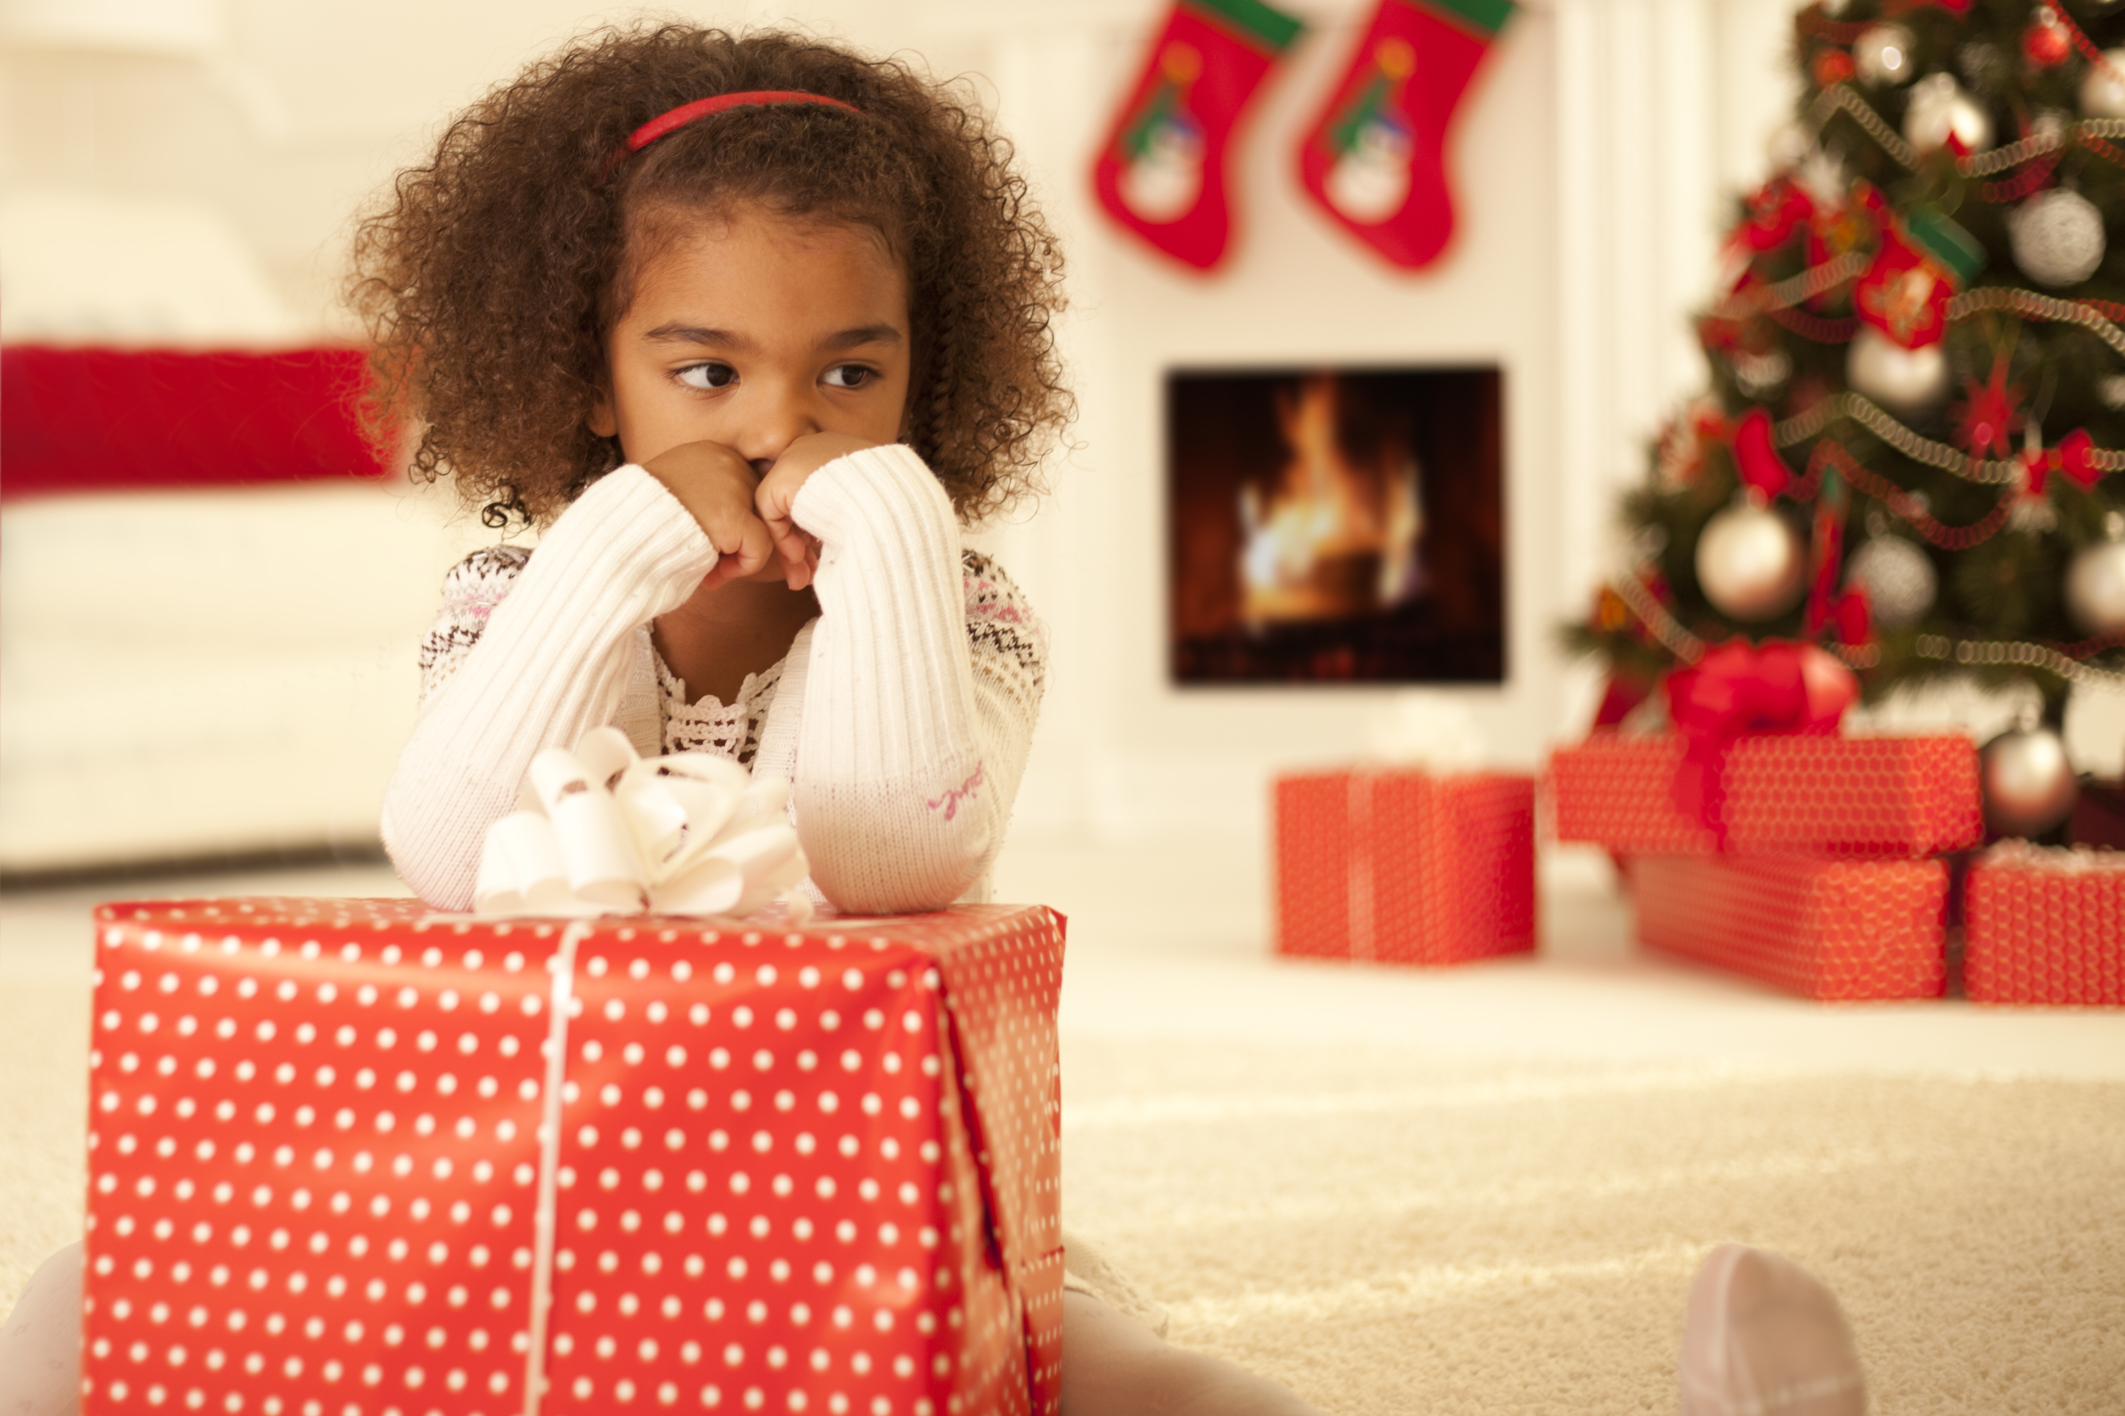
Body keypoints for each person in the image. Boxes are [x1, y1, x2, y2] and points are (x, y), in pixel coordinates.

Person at [0, 27, 1868, 1416]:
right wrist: (609, 558)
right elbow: (452, 847)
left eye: (849, 374)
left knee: (1109, 1367)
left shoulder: (954, 595)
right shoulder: (519, 579)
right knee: (90, 1303)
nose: (771, 421)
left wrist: (886, 524)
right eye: (703, 370)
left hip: (841, 1176)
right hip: (532, 1160)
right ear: (590, 374)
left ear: (922, 376)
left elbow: (891, 856)